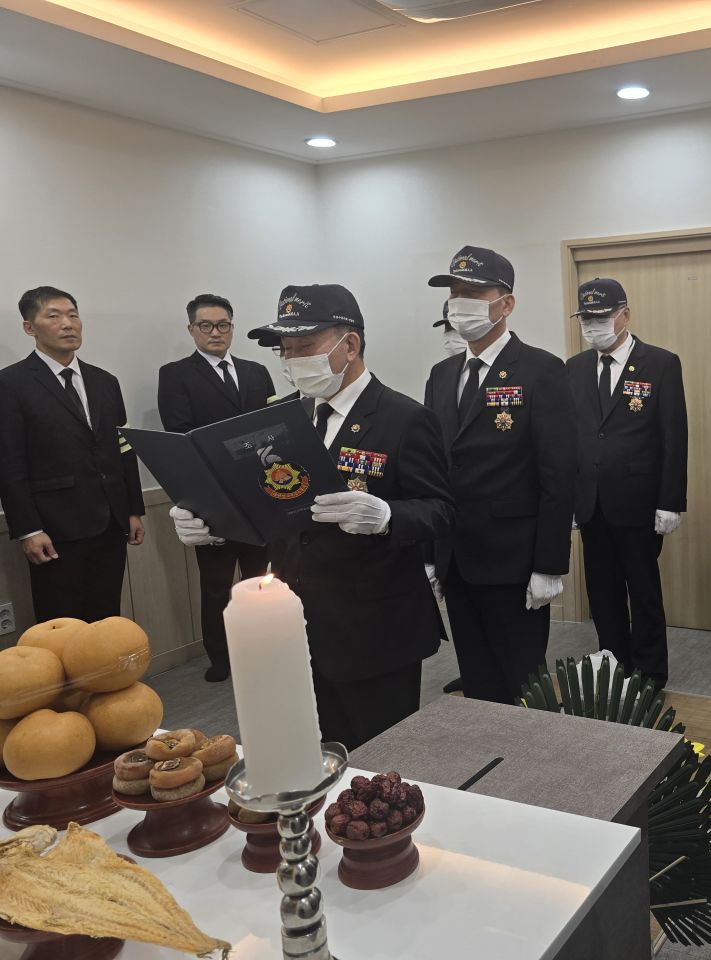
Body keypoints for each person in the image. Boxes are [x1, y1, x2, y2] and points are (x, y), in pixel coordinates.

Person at [171, 284, 454, 750]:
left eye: (304, 347)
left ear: (350, 344)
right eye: (285, 350)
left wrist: (386, 515)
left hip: (374, 627)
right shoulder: (281, 417)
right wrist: (211, 524)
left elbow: (441, 510)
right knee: (313, 754)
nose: (291, 359)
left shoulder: (404, 417)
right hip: (296, 623)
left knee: (378, 759)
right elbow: (262, 502)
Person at [422, 246, 575, 705]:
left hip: (514, 559)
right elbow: (434, 469)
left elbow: (558, 472)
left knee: (522, 682)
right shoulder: (441, 374)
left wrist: (549, 564)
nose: (459, 304)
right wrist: (430, 554)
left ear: (506, 303)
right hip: (457, 556)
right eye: (454, 293)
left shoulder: (541, 369)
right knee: (477, 679)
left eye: (473, 293)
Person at [566, 278, 687, 689]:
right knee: (602, 592)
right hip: (591, 502)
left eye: (600, 317)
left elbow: (674, 436)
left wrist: (671, 501)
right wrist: (569, 499)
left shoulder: (661, 363)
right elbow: (572, 437)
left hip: (639, 501)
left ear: (625, 315)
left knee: (643, 590)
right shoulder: (575, 368)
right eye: (586, 319)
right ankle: (614, 664)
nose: (593, 326)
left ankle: (651, 673)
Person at [0, 286, 145, 622]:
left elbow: (123, 447)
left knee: (106, 618)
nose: (68, 324)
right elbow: (8, 463)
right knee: (62, 623)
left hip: (111, 522)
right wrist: (28, 530)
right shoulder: (11, 384)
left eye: (73, 315)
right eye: (53, 316)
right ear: (29, 327)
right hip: (54, 527)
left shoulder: (105, 381)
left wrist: (133, 509)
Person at [157, 293, 276, 682]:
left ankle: (262, 648)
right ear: (191, 329)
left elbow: (273, 425)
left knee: (260, 579)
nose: (215, 332)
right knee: (216, 585)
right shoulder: (175, 374)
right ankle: (221, 658)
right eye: (206, 325)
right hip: (212, 500)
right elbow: (180, 436)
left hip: (259, 493)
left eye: (223, 324)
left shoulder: (256, 371)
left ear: (232, 327)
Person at [432, 298, 465, 697]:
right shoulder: (440, 375)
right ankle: (471, 672)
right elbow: (432, 455)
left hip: (506, 531)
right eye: (446, 328)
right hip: (451, 526)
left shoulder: (535, 369)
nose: (450, 336)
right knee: (463, 619)